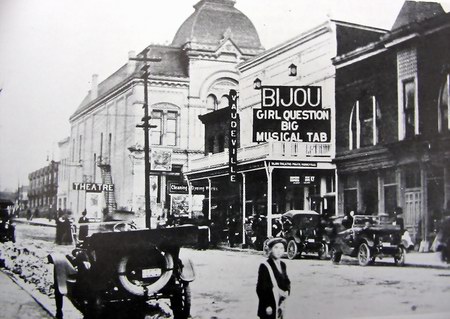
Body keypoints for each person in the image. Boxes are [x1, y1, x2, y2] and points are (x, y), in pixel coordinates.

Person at [257, 237, 291, 319]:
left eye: (281, 248)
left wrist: (287, 291)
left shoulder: (282, 264)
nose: (279, 250)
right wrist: (267, 305)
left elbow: (286, 281)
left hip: (280, 304)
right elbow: (261, 288)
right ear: (270, 249)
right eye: (276, 247)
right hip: (269, 306)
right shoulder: (265, 266)